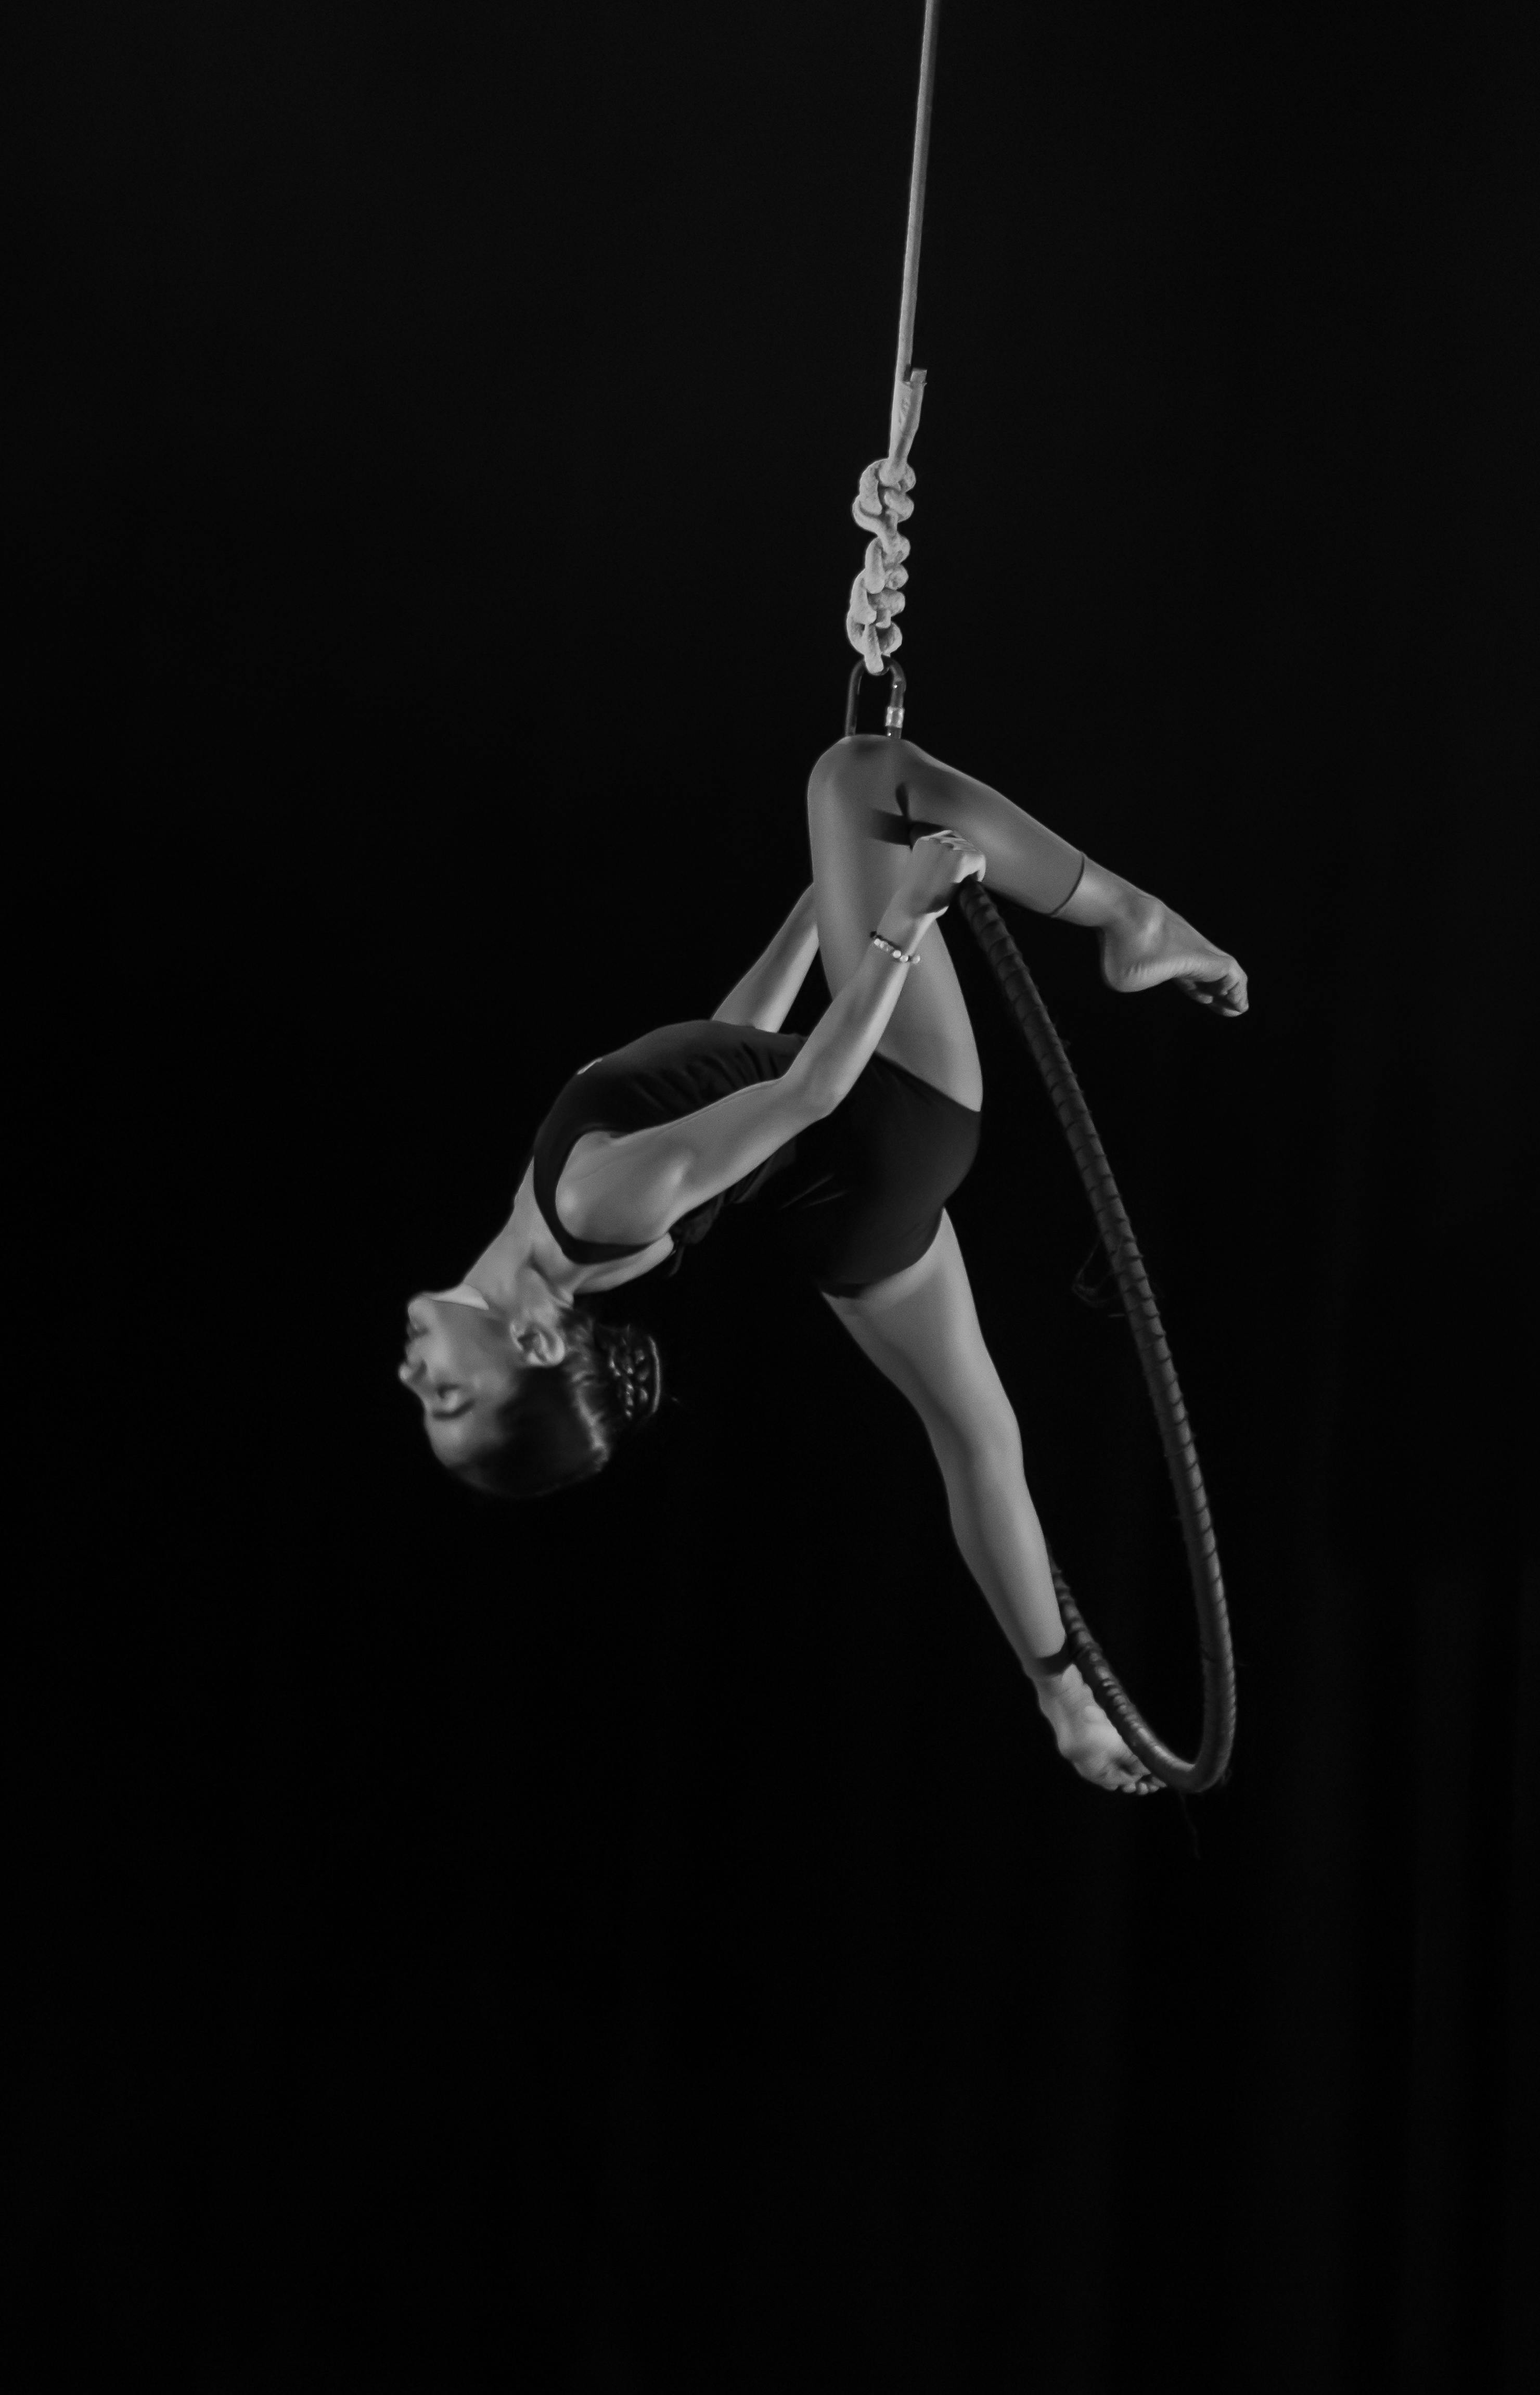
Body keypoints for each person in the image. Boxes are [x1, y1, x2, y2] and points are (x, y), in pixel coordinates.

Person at [399, 733, 1247, 1795]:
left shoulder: (559, 1230)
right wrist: (896, 918)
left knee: (977, 1436)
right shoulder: (585, 1202)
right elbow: (802, 1089)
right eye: (451, 1398)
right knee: (854, 775)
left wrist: (824, 901)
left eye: (427, 1400)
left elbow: (719, 1043)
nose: (414, 1377)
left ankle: (1063, 1701)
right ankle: (1134, 920)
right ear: (529, 1342)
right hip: (891, 1116)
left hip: (843, 1216)